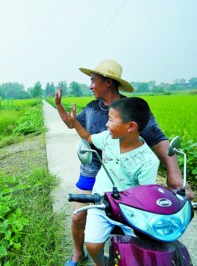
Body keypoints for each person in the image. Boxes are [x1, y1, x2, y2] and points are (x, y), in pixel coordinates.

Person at [54, 59, 194, 265]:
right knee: (77, 217)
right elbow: (74, 125)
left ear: (108, 82)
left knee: (141, 226)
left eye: (93, 80)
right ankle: (78, 253)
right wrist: (59, 106)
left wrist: (174, 174)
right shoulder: (92, 107)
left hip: (126, 179)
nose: (90, 85)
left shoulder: (132, 110)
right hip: (93, 171)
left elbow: (158, 139)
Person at [68, 97, 160, 266]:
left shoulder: (148, 161)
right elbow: (88, 137)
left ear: (130, 126)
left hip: (128, 211)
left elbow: (144, 195)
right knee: (93, 245)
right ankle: (100, 263)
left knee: (135, 251)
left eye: (110, 120)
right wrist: (74, 121)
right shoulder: (108, 139)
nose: (106, 124)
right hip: (101, 203)